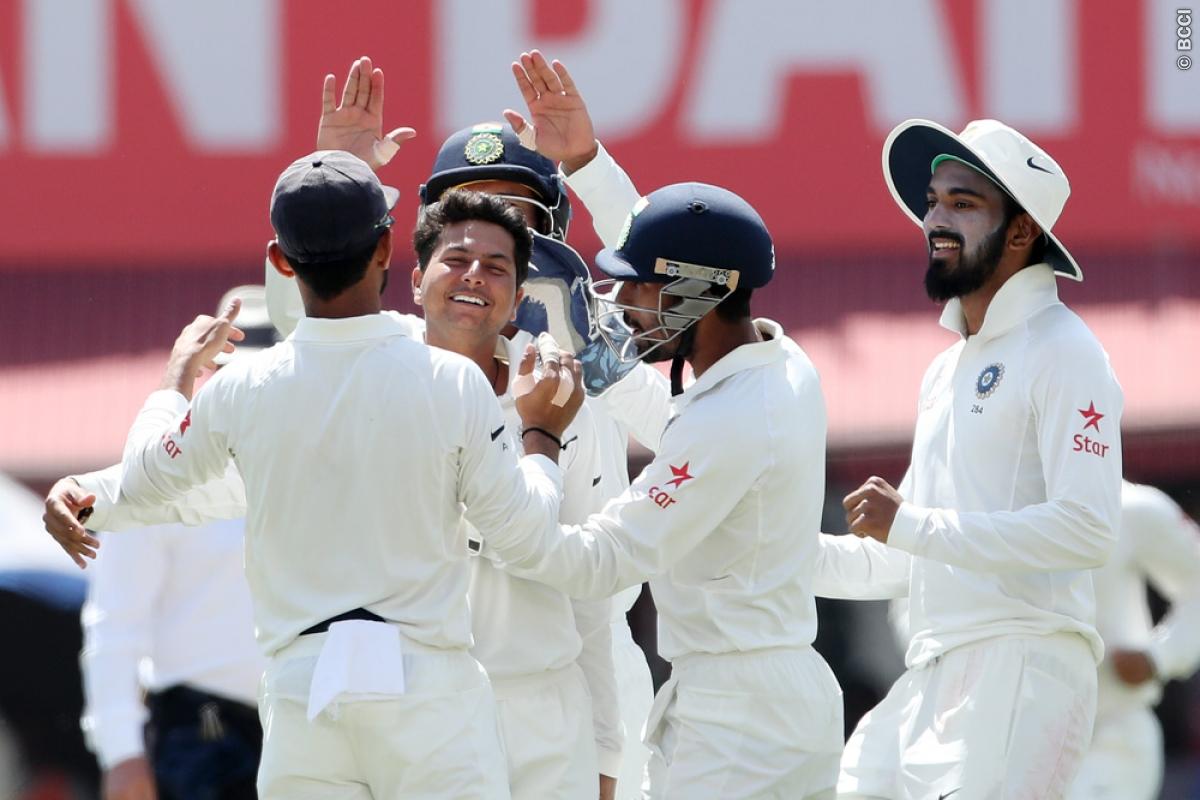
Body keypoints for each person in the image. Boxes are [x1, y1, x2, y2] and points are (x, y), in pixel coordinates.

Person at [56, 151, 585, 799]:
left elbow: (143, 483)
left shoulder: (240, 388)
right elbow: (528, 537)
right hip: (427, 695)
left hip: (304, 699)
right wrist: (542, 434)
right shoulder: (450, 381)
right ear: (387, 248)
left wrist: (169, 389)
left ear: (281, 260)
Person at [265, 55, 654, 800]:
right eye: (462, 222)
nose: (484, 252)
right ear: (418, 258)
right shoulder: (379, 362)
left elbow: (597, 599)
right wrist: (339, 176)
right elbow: (304, 340)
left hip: (548, 705)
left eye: (515, 220)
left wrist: (607, 747)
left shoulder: (579, 371)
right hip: (415, 707)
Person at [487, 175, 845, 798]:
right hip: (757, 702)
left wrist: (537, 441)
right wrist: (589, 165)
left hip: (740, 724)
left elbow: (600, 561)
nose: (622, 301)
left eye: (639, 284)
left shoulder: (729, 420)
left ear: (701, 289)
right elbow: (691, 239)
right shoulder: (782, 362)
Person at [814, 119, 1124, 799]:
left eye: (963, 203)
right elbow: (905, 557)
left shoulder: (1066, 350)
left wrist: (911, 525)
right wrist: (772, 554)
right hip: (930, 670)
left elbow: (1089, 528)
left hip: (1024, 665)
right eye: (933, 201)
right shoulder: (945, 369)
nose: (935, 219)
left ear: (1022, 231)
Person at [53, 286, 276, 800]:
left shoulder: (318, 467)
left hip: (306, 720)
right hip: (202, 729)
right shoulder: (165, 473)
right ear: (214, 376)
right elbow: (116, 619)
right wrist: (121, 752)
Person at [1067, 480, 1200, 800]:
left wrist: (1160, 656)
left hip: (1111, 737)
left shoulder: (1132, 506)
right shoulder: (984, 502)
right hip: (1009, 738)